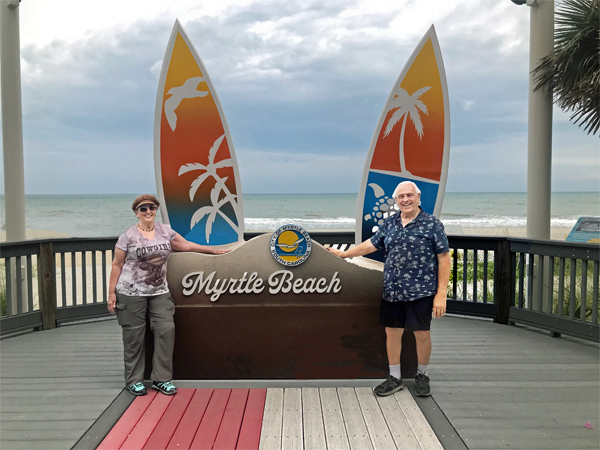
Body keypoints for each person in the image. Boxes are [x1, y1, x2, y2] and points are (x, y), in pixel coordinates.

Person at [328, 181, 451, 397]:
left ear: (418, 197)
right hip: (392, 290)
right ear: (396, 201)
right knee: (392, 333)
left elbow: (444, 258)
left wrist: (441, 294)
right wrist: (344, 254)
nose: (406, 200)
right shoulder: (390, 223)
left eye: (409, 195)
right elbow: (371, 245)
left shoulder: (432, 224)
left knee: (421, 334)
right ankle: (394, 377)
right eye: (401, 196)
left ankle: (423, 375)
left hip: (421, 291)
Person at [107, 194, 228, 396]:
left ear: (156, 210)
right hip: (130, 293)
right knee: (134, 337)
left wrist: (212, 251)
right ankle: (134, 381)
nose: (148, 211)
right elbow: (117, 264)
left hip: (159, 292)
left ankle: (161, 379)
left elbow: (186, 246)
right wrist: (111, 293)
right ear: (136, 213)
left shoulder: (165, 231)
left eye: (151, 207)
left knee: (165, 331)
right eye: (143, 208)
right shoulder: (127, 236)